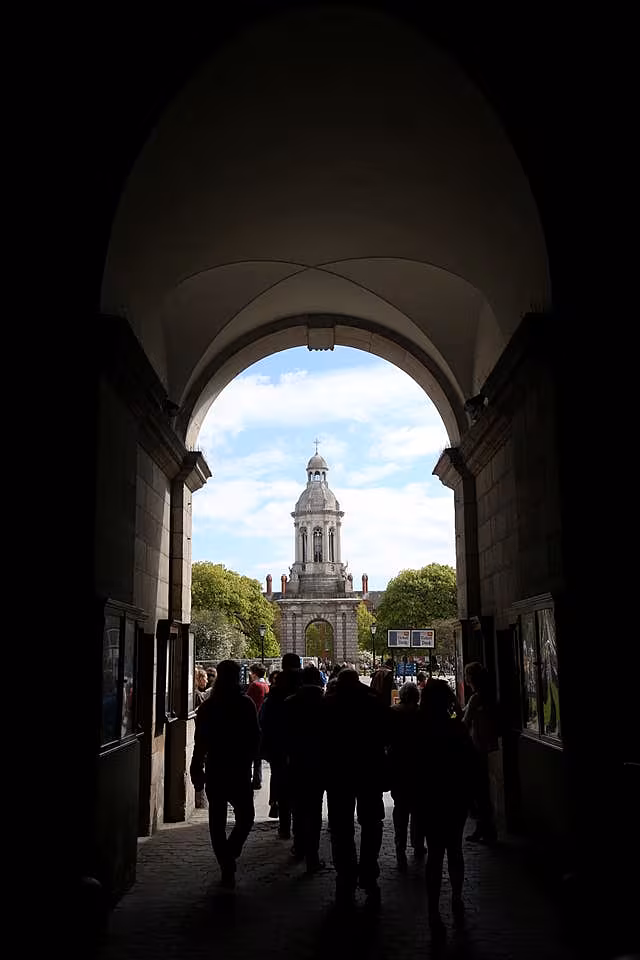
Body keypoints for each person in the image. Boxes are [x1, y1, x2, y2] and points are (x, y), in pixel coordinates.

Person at [189, 659, 260, 889]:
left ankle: (226, 860)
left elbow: (201, 741)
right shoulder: (245, 704)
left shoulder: (210, 706)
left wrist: (196, 765)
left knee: (217, 821)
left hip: (218, 768)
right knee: (246, 816)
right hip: (237, 769)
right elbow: (255, 737)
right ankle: (230, 854)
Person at [323, 667, 388, 911]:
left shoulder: (328, 704)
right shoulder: (373, 701)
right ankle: (369, 873)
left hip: (338, 773)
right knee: (372, 823)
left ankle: (345, 878)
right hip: (369, 771)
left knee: (341, 827)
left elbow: (321, 739)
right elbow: (386, 735)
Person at [416, 678, 476, 935]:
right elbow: (469, 764)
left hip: (429, 797)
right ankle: (457, 897)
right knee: (455, 849)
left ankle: (432, 911)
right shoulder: (457, 729)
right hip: (454, 797)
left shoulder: (419, 730)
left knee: (435, 855)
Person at [284, 664, 327, 873]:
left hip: (296, 762)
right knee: (315, 810)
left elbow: (281, 735)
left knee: (298, 807)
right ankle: (313, 856)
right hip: (319, 764)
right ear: (319, 680)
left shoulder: (290, 703)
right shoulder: (327, 704)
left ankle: (299, 846)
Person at [259, 652, 303, 840]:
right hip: (303, 748)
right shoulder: (306, 687)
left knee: (282, 783)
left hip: (279, 747)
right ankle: (302, 832)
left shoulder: (275, 691)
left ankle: (284, 825)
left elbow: (263, 720)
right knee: (303, 789)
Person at [462, 661, 499, 844]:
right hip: (486, 747)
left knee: (479, 791)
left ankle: (486, 829)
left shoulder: (476, 698)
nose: (466, 678)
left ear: (471, 678)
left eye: (467, 675)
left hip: (477, 748)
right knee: (482, 790)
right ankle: (485, 828)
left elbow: (465, 721)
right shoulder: (485, 696)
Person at [387, 681, 421, 870]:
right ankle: (417, 843)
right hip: (417, 765)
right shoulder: (421, 713)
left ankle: (400, 847)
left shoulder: (393, 712)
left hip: (398, 765)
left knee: (400, 807)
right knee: (418, 808)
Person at [246, 664, 269, 790]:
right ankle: (257, 779)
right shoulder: (266, 685)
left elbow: (248, 701)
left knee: (251, 753)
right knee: (258, 755)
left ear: (254, 673)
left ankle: (252, 778)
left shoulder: (254, 685)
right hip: (262, 723)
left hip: (253, 722)